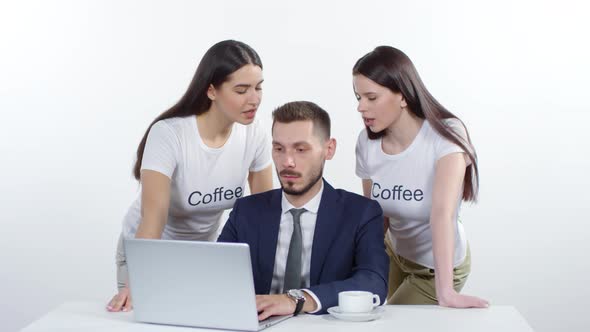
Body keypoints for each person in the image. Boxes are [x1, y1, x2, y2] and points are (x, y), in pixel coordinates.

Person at [106, 40, 273, 312]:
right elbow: (153, 219)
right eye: (241, 90)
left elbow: (264, 213)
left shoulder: (255, 133)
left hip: (203, 254)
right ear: (211, 90)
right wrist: (138, 282)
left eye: (258, 87)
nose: (254, 99)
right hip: (149, 250)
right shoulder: (170, 134)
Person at [218, 101, 388, 320]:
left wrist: (296, 300)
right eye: (279, 148)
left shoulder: (360, 213)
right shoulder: (247, 210)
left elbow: (373, 282)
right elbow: (217, 275)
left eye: (301, 149)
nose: (287, 162)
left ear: (329, 149)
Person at [352, 46, 489, 308]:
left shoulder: (445, 135)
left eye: (371, 97)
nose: (360, 107)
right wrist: (365, 268)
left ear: (402, 96)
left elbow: (442, 214)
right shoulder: (366, 143)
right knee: (360, 313)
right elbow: (375, 215)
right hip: (395, 254)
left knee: (389, 322)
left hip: (436, 268)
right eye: (358, 97)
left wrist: (446, 292)